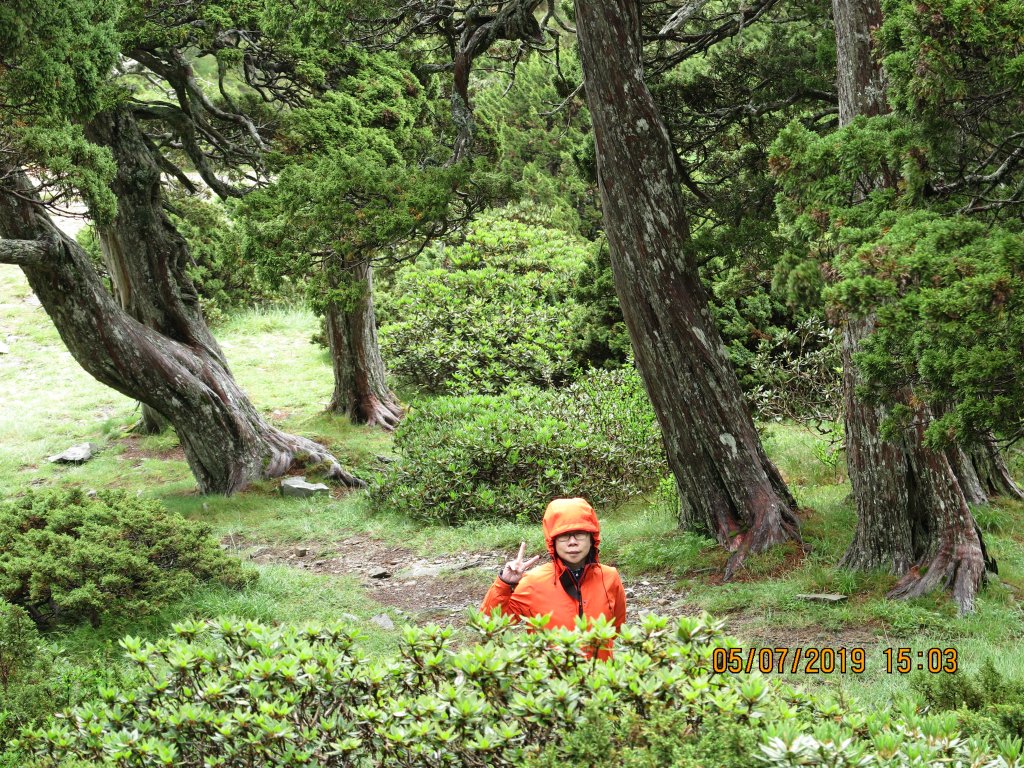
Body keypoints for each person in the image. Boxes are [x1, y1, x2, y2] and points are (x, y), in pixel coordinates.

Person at [480, 497, 626, 654]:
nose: (572, 542)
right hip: (552, 675)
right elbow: (491, 626)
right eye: (564, 536)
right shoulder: (533, 582)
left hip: (599, 675)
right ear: (553, 542)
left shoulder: (610, 577)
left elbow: (616, 627)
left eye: (579, 534)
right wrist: (504, 584)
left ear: (592, 538)